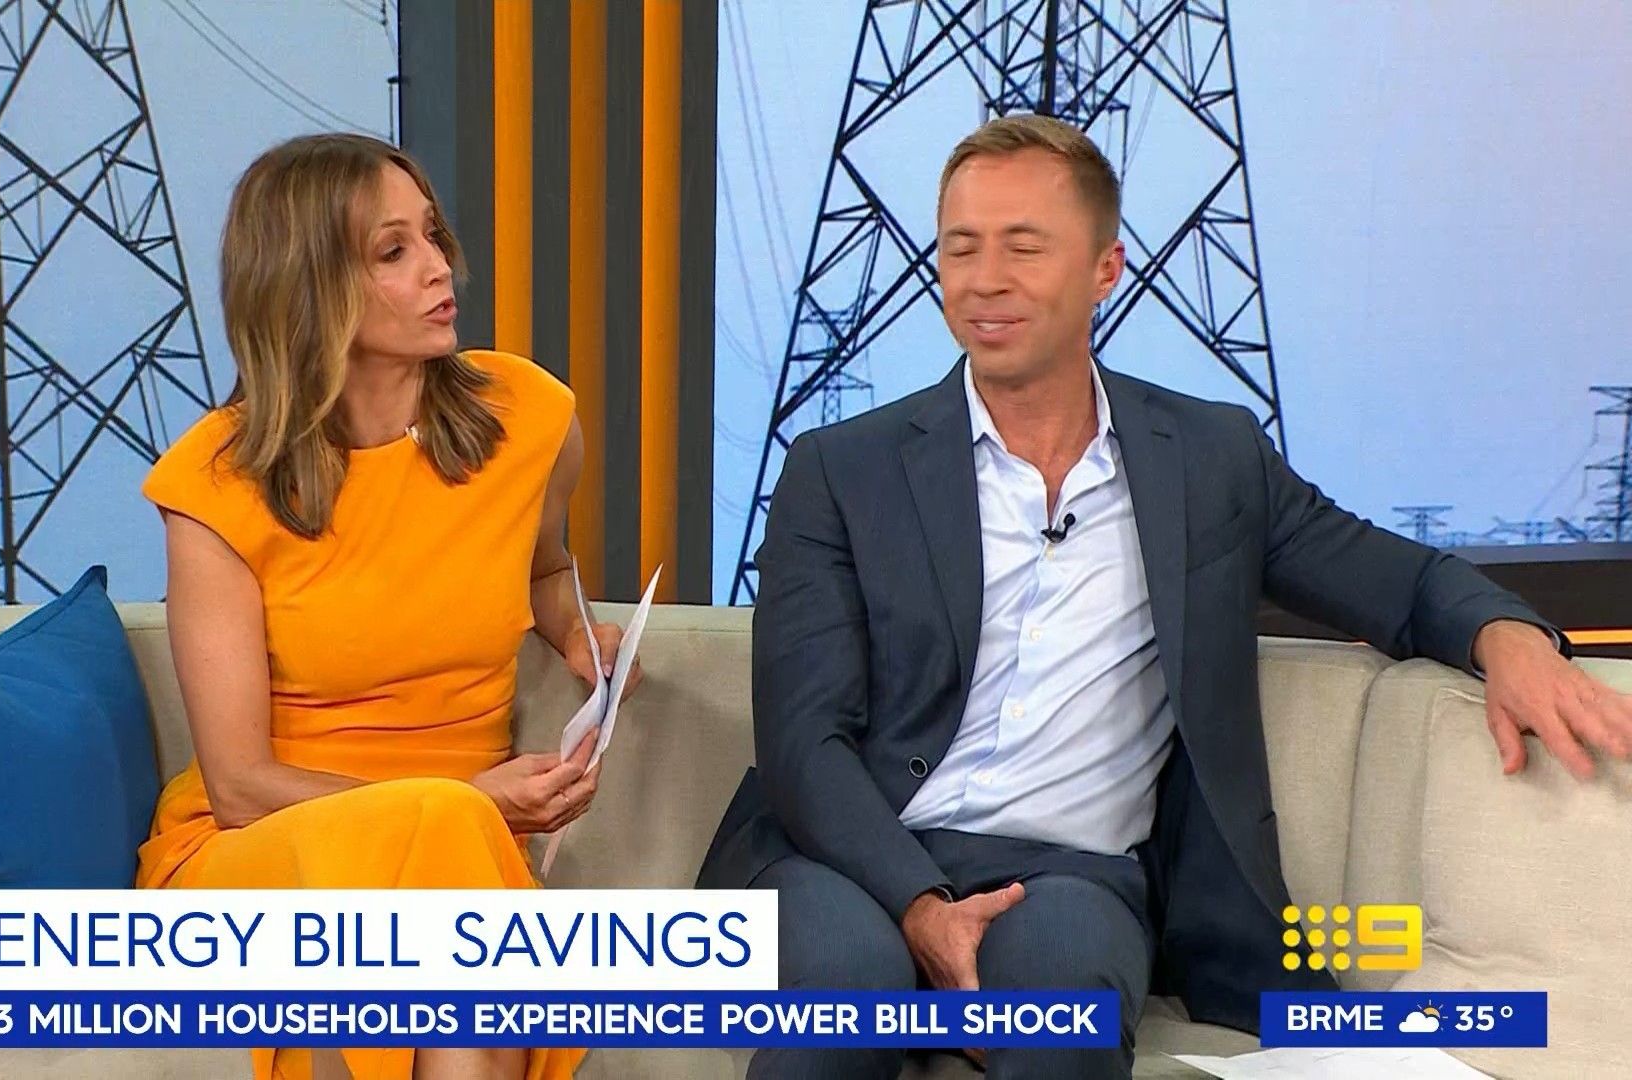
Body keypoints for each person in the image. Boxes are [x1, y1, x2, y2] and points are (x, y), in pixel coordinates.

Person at [696, 114, 1632, 1079]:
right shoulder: (840, 469)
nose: (984, 279)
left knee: (1065, 1021)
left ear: (1106, 269)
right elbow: (804, 743)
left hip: (1067, 876)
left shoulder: (1210, 460)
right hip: (847, 858)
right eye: (961, 247)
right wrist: (920, 905)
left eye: (1024, 247)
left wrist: (1507, 638)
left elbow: (1394, 579)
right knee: (845, 990)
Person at [138, 133, 635, 1080]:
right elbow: (239, 786)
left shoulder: (529, 419)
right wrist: (466, 802)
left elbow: (543, 568)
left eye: (433, 235)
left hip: (460, 850)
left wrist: (578, 633)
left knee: (450, 872)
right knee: (448, 852)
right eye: (393, 251)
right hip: (265, 851)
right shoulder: (216, 484)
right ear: (309, 286)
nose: (441, 267)